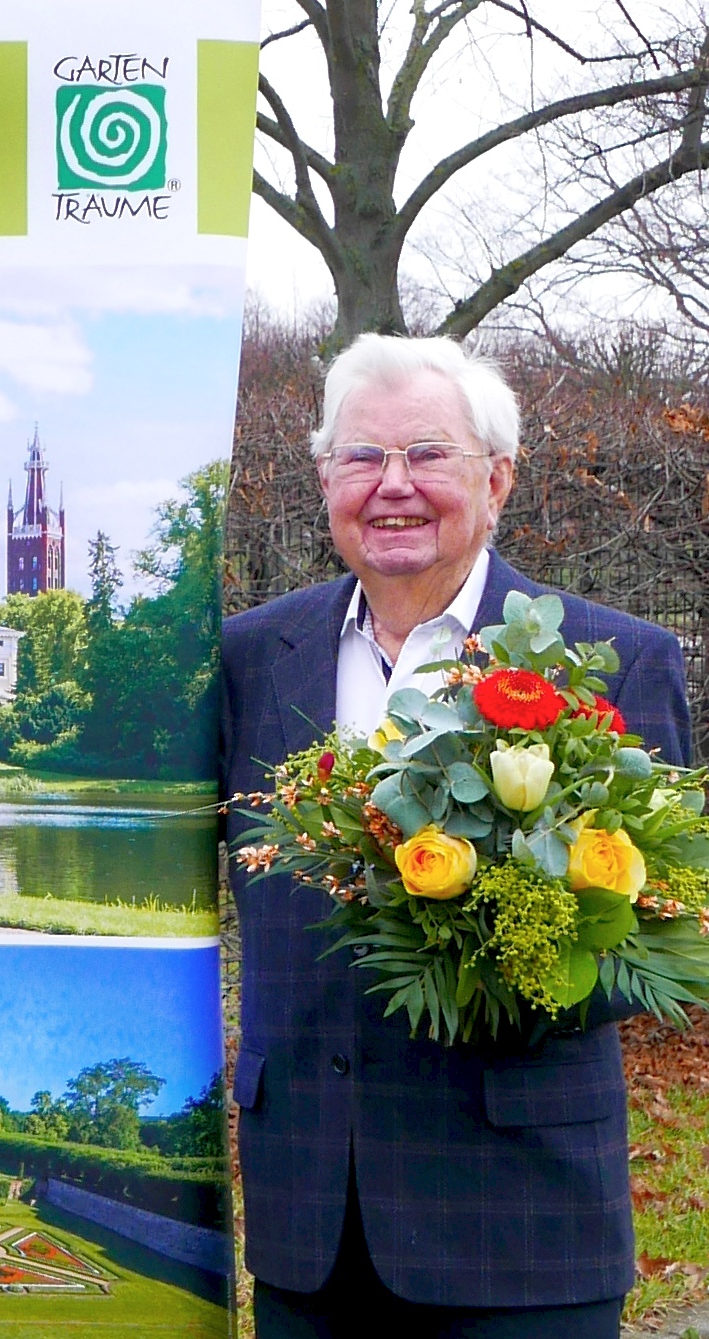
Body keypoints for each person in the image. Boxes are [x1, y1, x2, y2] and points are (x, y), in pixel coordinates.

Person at [222, 334, 692, 1338]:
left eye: (429, 453)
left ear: (497, 478)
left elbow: (662, 932)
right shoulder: (249, 658)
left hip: (520, 1221)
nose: (393, 486)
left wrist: (479, 936)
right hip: (310, 1223)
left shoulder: (611, 663)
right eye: (361, 457)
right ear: (324, 480)